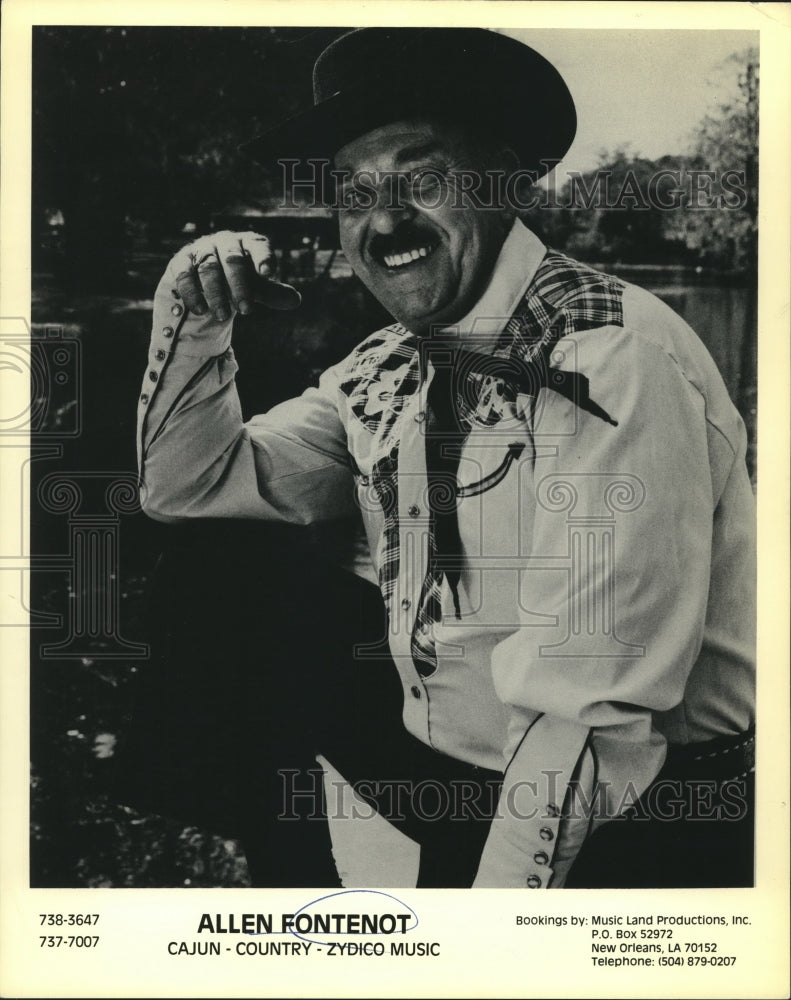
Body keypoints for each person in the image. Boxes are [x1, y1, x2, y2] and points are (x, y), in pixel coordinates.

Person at [130, 28, 755, 888]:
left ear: (502, 188)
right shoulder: (386, 362)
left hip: (637, 814)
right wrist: (194, 319)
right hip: (459, 773)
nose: (384, 221)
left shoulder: (609, 357)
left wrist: (491, 937)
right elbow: (190, 488)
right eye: (354, 196)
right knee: (217, 569)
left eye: (420, 181)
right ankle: (288, 896)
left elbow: (587, 711)